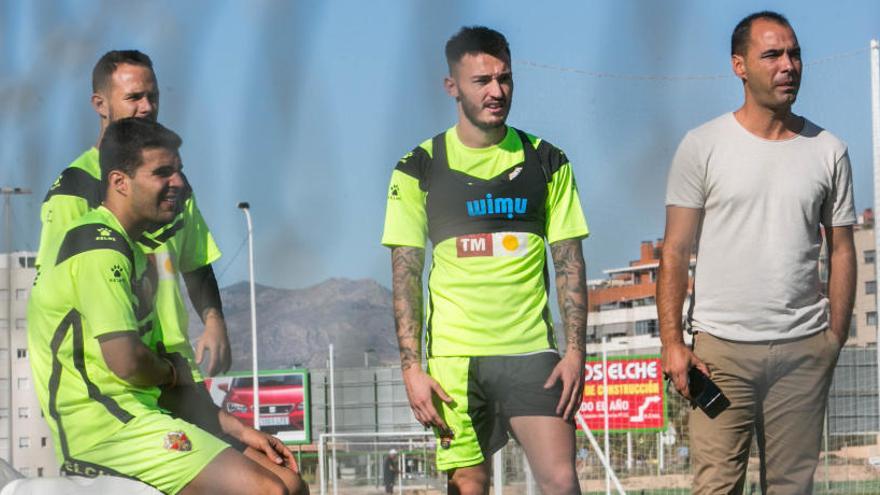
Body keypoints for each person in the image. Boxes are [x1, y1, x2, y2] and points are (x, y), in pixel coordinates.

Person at [28, 118, 307, 494]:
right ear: (119, 182)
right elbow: (128, 362)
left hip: (148, 416)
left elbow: (166, 379)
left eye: (179, 170)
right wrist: (171, 372)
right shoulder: (97, 248)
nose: (179, 183)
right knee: (267, 491)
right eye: (163, 172)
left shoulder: (138, 254)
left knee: (290, 482)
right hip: (105, 431)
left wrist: (241, 429)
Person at [382, 26, 589, 495]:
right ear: (451, 86)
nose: (497, 91)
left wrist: (576, 351)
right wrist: (412, 369)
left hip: (531, 354)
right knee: (469, 485)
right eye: (482, 81)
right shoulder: (419, 166)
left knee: (561, 480)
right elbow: (405, 276)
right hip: (455, 360)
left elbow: (570, 264)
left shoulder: (547, 161)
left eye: (505, 78)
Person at [657, 11, 856, 495]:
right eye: (772, 54)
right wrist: (672, 343)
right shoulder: (702, 146)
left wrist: (833, 338)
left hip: (802, 351)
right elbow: (675, 251)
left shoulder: (828, 149)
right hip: (720, 355)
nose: (788, 65)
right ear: (739, 66)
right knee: (716, 488)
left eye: (794, 53)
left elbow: (843, 250)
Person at [37, 50, 231, 380]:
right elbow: (54, 294)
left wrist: (214, 323)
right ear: (100, 104)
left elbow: (196, 262)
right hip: (113, 375)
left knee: (240, 434)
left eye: (153, 96)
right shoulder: (75, 186)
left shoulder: (174, 181)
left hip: (173, 364)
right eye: (134, 97)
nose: (147, 107)